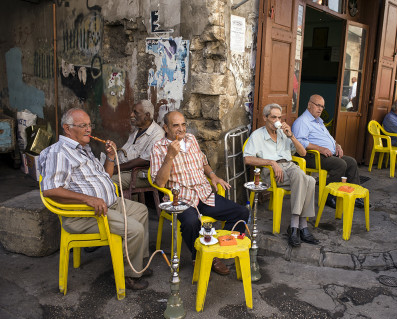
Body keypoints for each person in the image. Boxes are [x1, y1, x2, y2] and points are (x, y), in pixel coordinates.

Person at [39, 108, 151, 290]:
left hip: (108, 205)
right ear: (67, 129)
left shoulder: (83, 148)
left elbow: (105, 177)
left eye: (89, 125)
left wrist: (111, 157)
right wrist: (87, 199)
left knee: (141, 211)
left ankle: (135, 264)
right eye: (83, 126)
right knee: (134, 229)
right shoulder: (59, 153)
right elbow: (50, 190)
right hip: (85, 215)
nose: (89, 129)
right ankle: (128, 276)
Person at [150, 111, 249, 275]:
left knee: (241, 213)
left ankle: (216, 249)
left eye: (183, 124)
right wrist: (169, 157)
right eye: (176, 126)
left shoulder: (191, 139)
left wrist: (213, 175)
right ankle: (201, 255)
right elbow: (159, 182)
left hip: (204, 193)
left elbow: (203, 161)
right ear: (165, 127)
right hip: (181, 198)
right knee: (190, 222)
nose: (181, 129)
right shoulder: (158, 148)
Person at [243, 103, 319, 248]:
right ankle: (299, 226)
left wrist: (291, 136)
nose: (277, 120)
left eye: (279, 117)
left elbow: (302, 153)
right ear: (265, 118)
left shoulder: (284, 134)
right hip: (272, 173)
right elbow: (247, 159)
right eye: (273, 117)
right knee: (302, 177)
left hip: (289, 167)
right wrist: (271, 162)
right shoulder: (258, 135)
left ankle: (297, 226)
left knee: (309, 180)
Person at [292, 94, 365, 209]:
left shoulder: (318, 121)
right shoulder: (302, 121)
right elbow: (300, 142)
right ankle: (329, 196)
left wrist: (337, 145)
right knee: (340, 164)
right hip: (311, 156)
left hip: (327, 154)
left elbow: (329, 138)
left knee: (351, 162)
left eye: (322, 106)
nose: (320, 109)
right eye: (317, 105)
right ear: (309, 105)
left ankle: (355, 196)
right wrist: (320, 148)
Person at [111, 100, 164, 189]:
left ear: (147, 116)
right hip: (124, 170)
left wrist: (116, 169)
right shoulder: (137, 130)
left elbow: (144, 160)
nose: (131, 115)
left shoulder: (157, 134)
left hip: (138, 174)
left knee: (107, 181)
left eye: (136, 113)